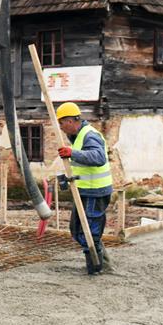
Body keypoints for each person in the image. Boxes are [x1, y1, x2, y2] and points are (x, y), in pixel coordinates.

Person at [56, 102, 113, 275]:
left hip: (95, 191)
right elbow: (81, 165)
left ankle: (95, 268)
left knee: (89, 232)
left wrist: (72, 153)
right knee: (76, 230)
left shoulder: (89, 135)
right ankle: (102, 260)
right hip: (84, 190)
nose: (61, 127)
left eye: (62, 123)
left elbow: (98, 157)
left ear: (71, 121)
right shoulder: (77, 136)